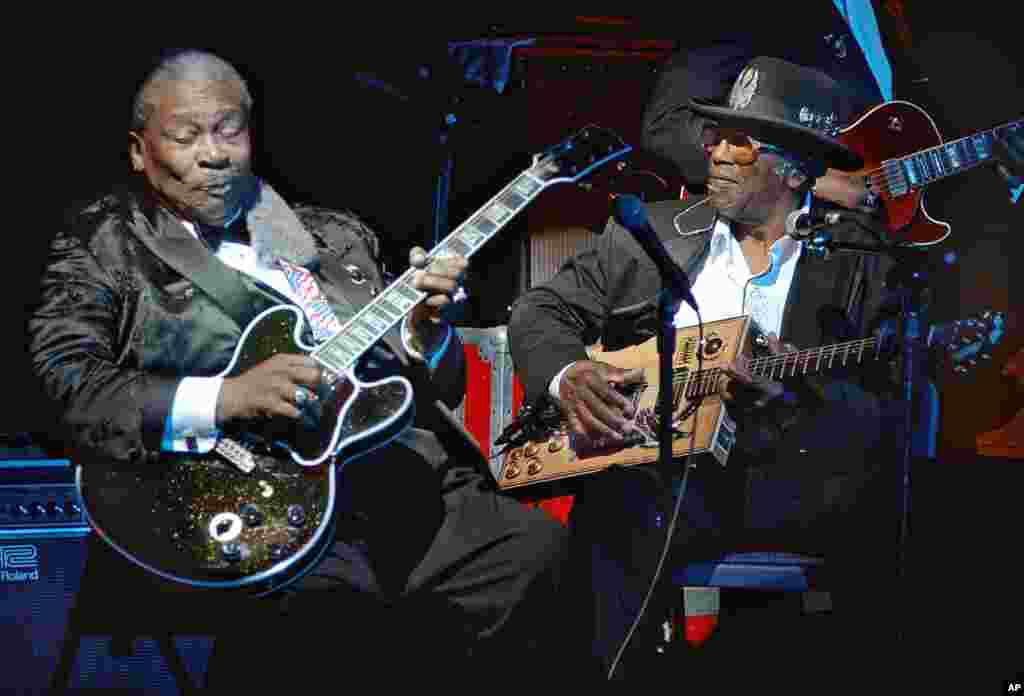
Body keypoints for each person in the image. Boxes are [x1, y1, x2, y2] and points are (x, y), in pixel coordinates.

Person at [26, 48, 570, 685]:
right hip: (244, 493)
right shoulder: (105, 246)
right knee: (332, 620)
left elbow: (436, 383)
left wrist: (428, 335)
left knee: (535, 552)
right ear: (139, 151)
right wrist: (227, 397)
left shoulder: (335, 238)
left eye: (229, 130)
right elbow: (63, 385)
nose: (213, 153)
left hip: (400, 484)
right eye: (184, 135)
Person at [509, 56, 909, 680]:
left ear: (794, 167)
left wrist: (795, 404)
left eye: (739, 141)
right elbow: (543, 309)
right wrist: (569, 376)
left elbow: (892, 413)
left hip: (786, 479)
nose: (717, 152)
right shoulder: (653, 232)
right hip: (651, 480)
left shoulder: (863, 262)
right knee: (610, 506)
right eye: (713, 136)